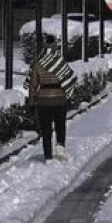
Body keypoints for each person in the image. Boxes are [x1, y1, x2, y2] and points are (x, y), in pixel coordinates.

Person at [25, 35, 77, 163]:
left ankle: (48, 156)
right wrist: (69, 96)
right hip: (60, 100)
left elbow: (33, 86)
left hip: (43, 102)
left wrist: (31, 103)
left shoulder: (38, 63)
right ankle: (60, 150)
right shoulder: (60, 62)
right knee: (60, 126)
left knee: (46, 130)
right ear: (55, 46)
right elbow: (68, 79)